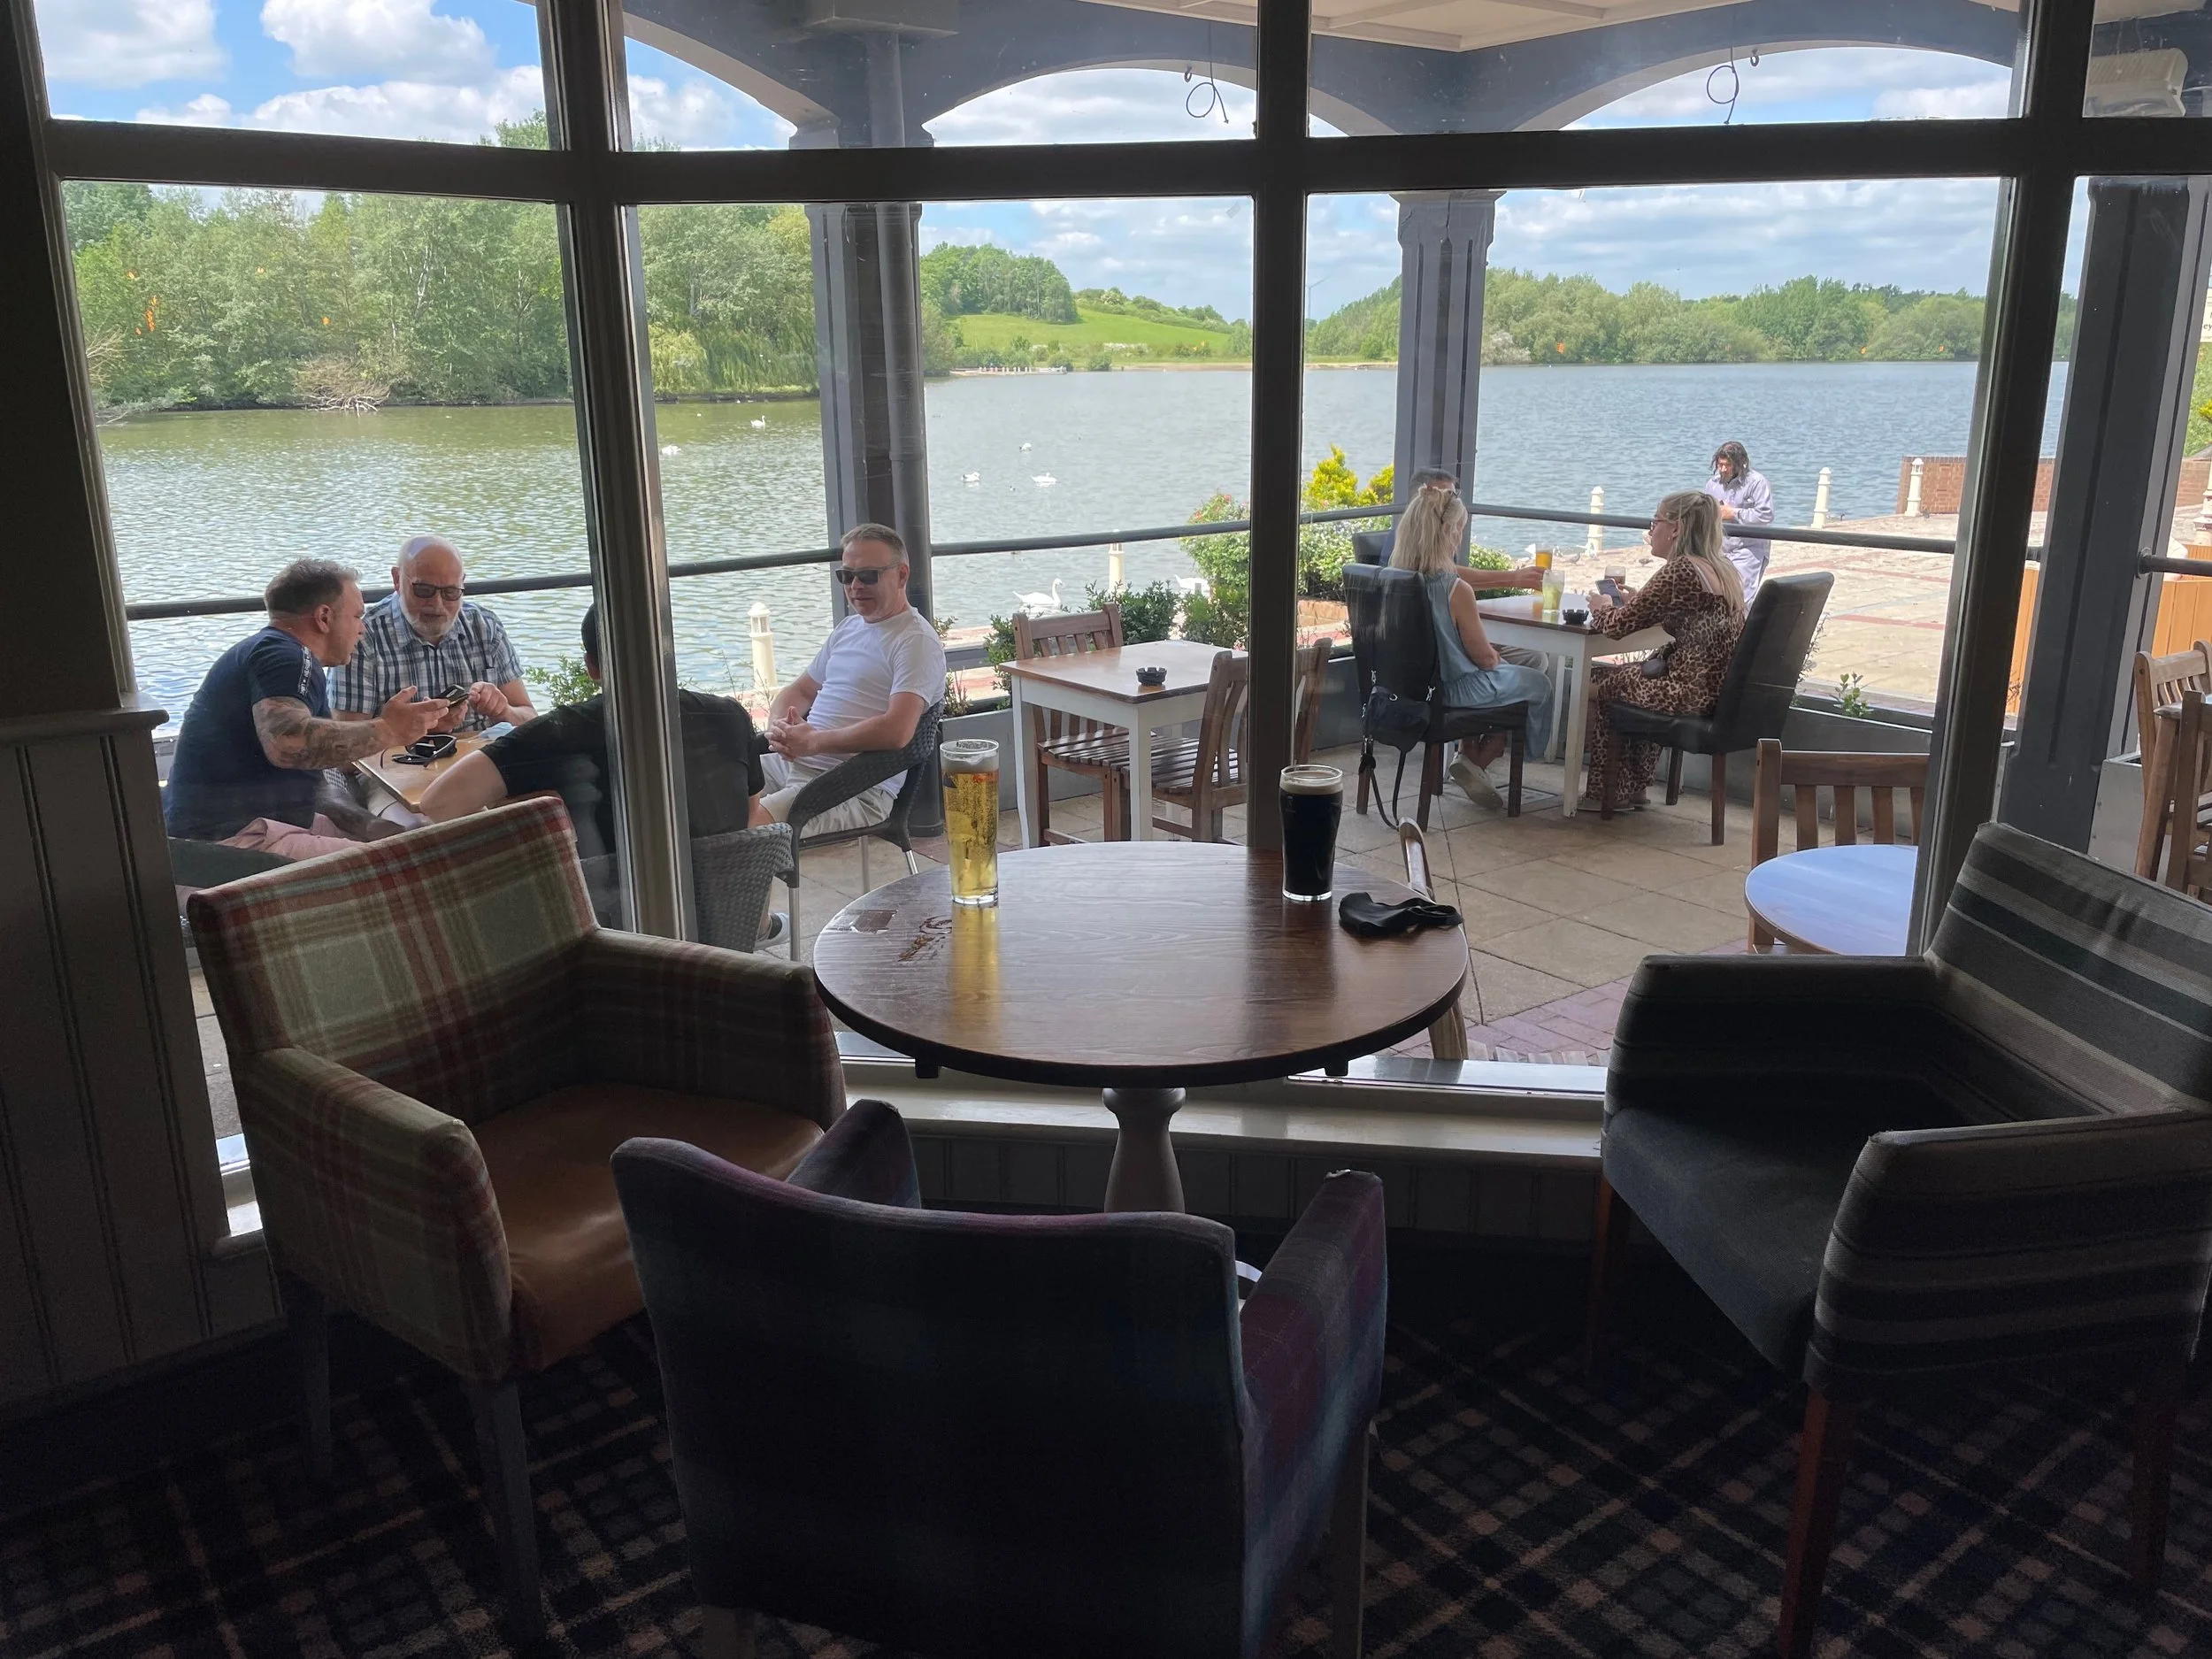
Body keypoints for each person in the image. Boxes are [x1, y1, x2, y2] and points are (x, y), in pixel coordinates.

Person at [418, 603, 766, 867]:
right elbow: (751, 816)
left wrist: (530, 814)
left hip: (615, 936)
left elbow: (437, 803)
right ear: (668, 650)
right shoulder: (729, 716)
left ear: (591, 668)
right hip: (729, 924)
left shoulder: (558, 734)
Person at [163, 558, 447, 859]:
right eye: (356, 616)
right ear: (324, 617)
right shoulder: (286, 656)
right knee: (413, 863)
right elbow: (287, 743)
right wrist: (389, 730)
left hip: (252, 830)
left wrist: (371, 826)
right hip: (227, 846)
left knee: (410, 840)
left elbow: (314, 786)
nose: (362, 630)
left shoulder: (280, 656)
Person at [760, 522, 946, 835]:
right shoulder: (849, 628)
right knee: (701, 795)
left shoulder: (915, 641)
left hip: (855, 786)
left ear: (901, 575)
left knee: (745, 830)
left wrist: (813, 742)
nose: (855, 586)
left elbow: (897, 730)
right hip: (798, 763)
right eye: (846, 576)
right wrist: (778, 730)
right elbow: (801, 689)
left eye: (868, 575)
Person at [1388, 476, 1555, 810]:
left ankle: (1472, 759)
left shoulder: (1393, 581)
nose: (1460, 536)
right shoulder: (1454, 588)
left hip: (1406, 692)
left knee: (1516, 674)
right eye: (1460, 529)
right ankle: (1506, 760)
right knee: (1537, 682)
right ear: (1448, 533)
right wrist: (1501, 663)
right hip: (1454, 692)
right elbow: (1484, 659)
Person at [1582, 491, 1747, 812]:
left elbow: (1615, 629)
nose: (1651, 529)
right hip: (1717, 692)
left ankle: (1608, 793)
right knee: (1632, 678)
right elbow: (1691, 614)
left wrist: (1602, 607)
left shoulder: (1680, 570)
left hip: (1687, 692)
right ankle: (1635, 788)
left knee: (1604, 684)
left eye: (1655, 521)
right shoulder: (1722, 569)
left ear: (1676, 529)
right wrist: (1638, 603)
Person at [332, 534, 535, 733]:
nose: (437, 605)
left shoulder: (485, 626)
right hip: (401, 765)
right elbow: (344, 755)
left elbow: (531, 719)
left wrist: (504, 711)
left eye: (451, 592)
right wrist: (420, 730)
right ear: (397, 579)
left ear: (462, 584)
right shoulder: (363, 636)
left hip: (484, 760)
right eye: (424, 590)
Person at [1701, 440, 1774, 603]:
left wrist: (1733, 513)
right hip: (1720, 549)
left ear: (1740, 464)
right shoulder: (1712, 484)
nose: (1723, 469)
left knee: (1742, 598)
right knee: (1719, 597)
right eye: (1720, 464)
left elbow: (1766, 515)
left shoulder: (1757, 482)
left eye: (1728, 465)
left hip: (1749, 550)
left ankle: (1744, 627)